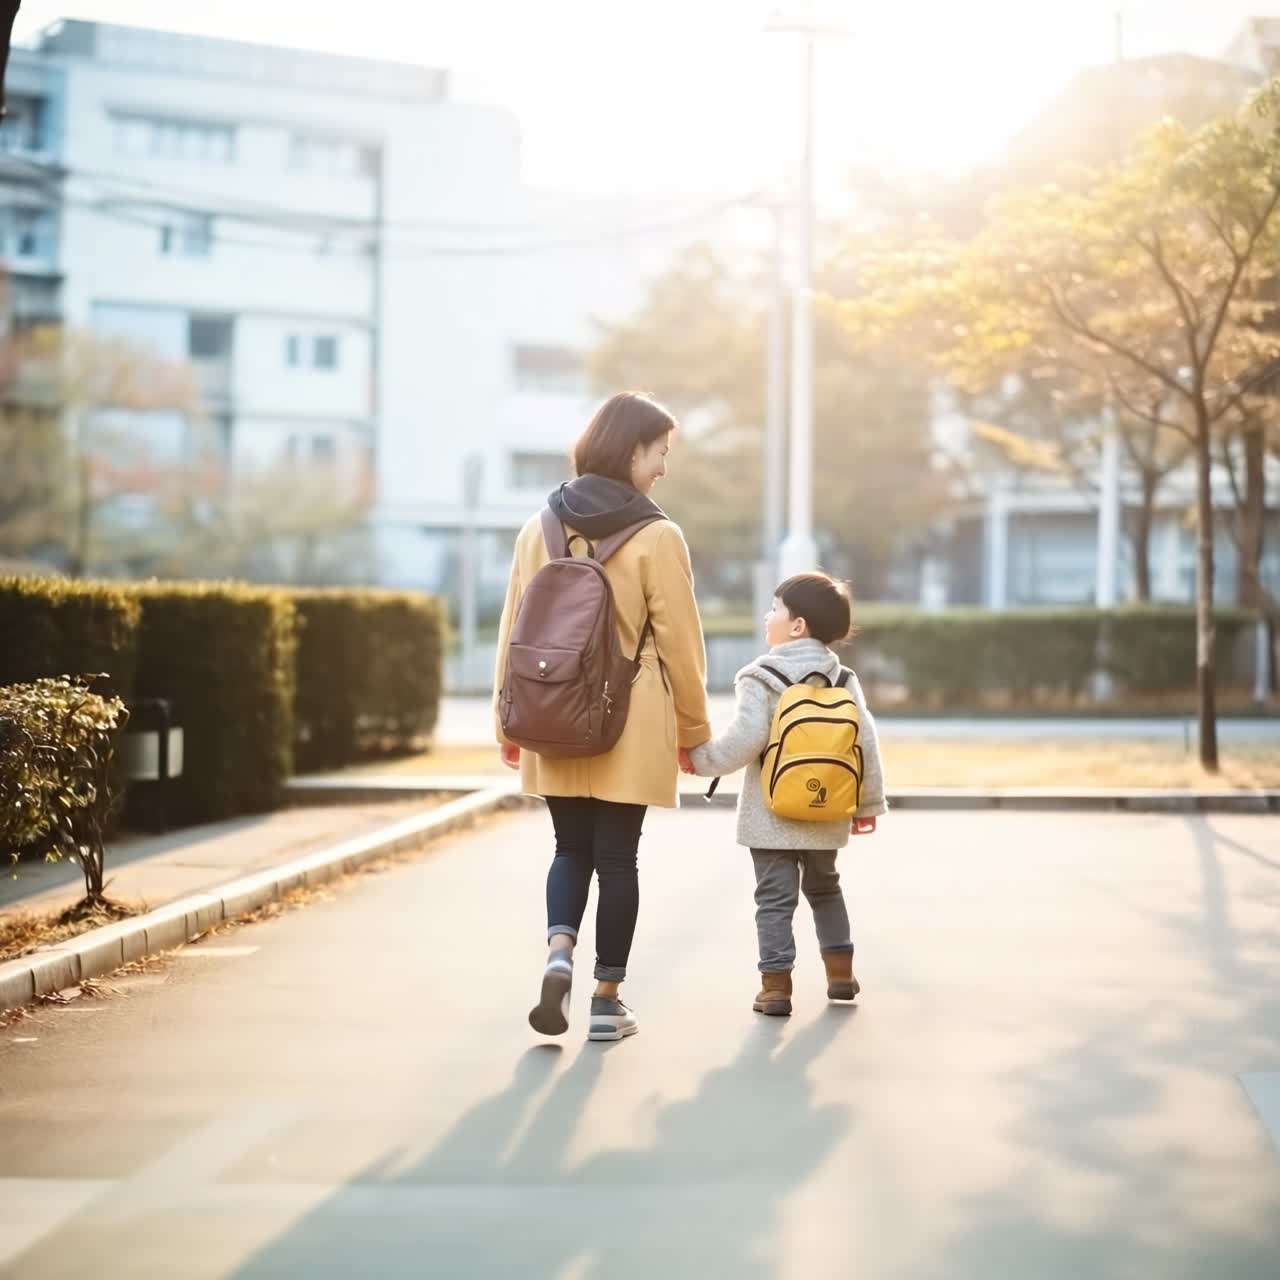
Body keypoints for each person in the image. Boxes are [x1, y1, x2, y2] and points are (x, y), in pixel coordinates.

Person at [494, 391, 712, 1042]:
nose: (663, 468)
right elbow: (680, 643)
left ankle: (559, 951)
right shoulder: (657, 535)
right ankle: (606, 1001)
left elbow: (512, 629)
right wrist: (694, 732)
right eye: (659, 453)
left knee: (568, 848)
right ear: (631, 449)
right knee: (618, 860)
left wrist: (507, 723)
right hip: (631, 715)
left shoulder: (540, 527)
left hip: (549, 706)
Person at [682, 572, 886, 1017]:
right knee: (826, 889)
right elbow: (864, 739)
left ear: (797, 626)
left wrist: (701, 761)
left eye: (774, 608)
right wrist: (868, 803)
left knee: (774, 900)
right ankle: (839, 975)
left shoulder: (761, 675)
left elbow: (747, 737)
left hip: (771, 815)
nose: (766, 615)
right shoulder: (842, 676)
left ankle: (775, 988)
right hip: (827, 809)